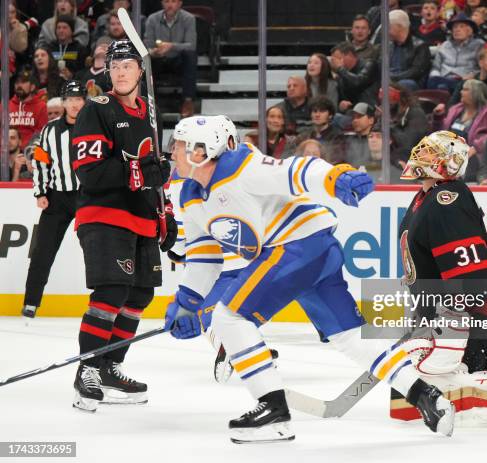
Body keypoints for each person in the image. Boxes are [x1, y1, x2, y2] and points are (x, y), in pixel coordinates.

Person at [163, 115, 455, 443]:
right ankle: (427, 397)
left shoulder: (243, 167)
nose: (172, 151)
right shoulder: (189, 195)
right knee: (349, 336)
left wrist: (335, 178)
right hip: (313, 252)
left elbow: (298, 170)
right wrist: (187, 303)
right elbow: (204, 258)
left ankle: (273, 410)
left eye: (180, 145)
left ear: (202, 151)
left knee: (230, 318)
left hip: (297, 247)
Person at [69, 39, 176, 412]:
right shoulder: (97, 109)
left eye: (127, 65)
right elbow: (89, 170)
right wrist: (139, 171)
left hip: (142, 217)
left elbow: (155, 173)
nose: (120, 72)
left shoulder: (149, 113)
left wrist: (166, 213)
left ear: (140, 71)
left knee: (139, 295)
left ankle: (111, 366)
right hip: (104, 214)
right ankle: (88, 370)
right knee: (112, 290)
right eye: (114, 66)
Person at [398, 130, 487, 373]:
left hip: (485, 311)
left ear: (448, 161)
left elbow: (471, 276)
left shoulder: (448, 200)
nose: (420, 153)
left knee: (455, 375)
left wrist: (452, 317)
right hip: (455, 309)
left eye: (429, 150)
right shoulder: (425, 197)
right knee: (424, 377)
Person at [21, 80, 86, 318]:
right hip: (57, 198)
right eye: (70, 99)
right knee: (42, 251)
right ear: (64, 102)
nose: (74, 104)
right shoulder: (50, 130)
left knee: (95, 249)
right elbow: (40, 161)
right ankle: (31, 302)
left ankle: (100, 302)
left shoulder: (94, 126)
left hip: (87, 197)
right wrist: (40, 191)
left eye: (78, 99)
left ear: (84, 101)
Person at [432, 79, 487, 181]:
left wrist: (476, 147)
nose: (461, 92)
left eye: (465, 90)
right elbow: (440, 133)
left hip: (473, 158)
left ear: (475, 93)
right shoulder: (455, 109)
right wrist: (438, 117)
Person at [144, 0, 197, 117]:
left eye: (173, 1)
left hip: (178, 60)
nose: (170, 5)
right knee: (145, 59)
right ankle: (150, 102)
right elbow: (147, 44)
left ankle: (188, 101)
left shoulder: (188, 18)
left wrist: (171, 46)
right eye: (166, 1)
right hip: (158, 59)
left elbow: (191, 45)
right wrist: (154, 52)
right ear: (162, 3)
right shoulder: (152, 19)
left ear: (180, 3)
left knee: (190, 56)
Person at [427, 13, 485, 92]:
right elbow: (436, 66)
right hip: (441, 78)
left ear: (470, 30)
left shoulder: (479, 45)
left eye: (461, 26)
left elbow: (482, 67)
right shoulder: (445, 45)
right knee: (436, 83)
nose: (457, 29)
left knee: (443, 86)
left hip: (462, 81)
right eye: (455, 27)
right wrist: (435, 76)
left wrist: (472, 75)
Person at [387, 9, 431, 91]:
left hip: (411, 82)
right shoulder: (389, 46)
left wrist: (393, 77)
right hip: (391, 79)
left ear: (399, 27)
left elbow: (415, 72)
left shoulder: (420, 46)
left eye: (389, 27)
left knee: (404, 84)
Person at [330, 41, 379, 112]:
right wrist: (340, 105)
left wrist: (340, 69)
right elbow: (341, 97)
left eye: (338, 58)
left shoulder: (369, 64)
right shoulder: (341, 75)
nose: (335, 63)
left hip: (368, 110)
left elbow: (358, 82)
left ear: (349, 55)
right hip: (351, 111)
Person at [296, 96, 345, 165]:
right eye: (315, 111)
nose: (317, 115)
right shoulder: (304, 136)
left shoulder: (338, 136)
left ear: (330, 115)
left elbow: (336, 161)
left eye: (322, 111)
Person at [8, 68, 48, 150]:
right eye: (17, 82)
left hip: (30, 151)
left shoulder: (41, 106)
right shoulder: (5, 105)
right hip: (7, 151)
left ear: (32, 87)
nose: (19, 85)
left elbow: (41, 133)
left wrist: (26, 149)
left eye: (23, 82)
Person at [47, 15, 88, 80]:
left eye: (64, 27)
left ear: (72, 30)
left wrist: (72, 75)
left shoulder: (80, 49)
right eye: (58, 28)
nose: (61, 31)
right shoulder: (50, 47)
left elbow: (84, 72)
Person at [344, 102, 376, 168]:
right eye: (353, 117)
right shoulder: (347, 140)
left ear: (371, 120)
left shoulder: (377, 141)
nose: (355, 120)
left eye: (359, 116)